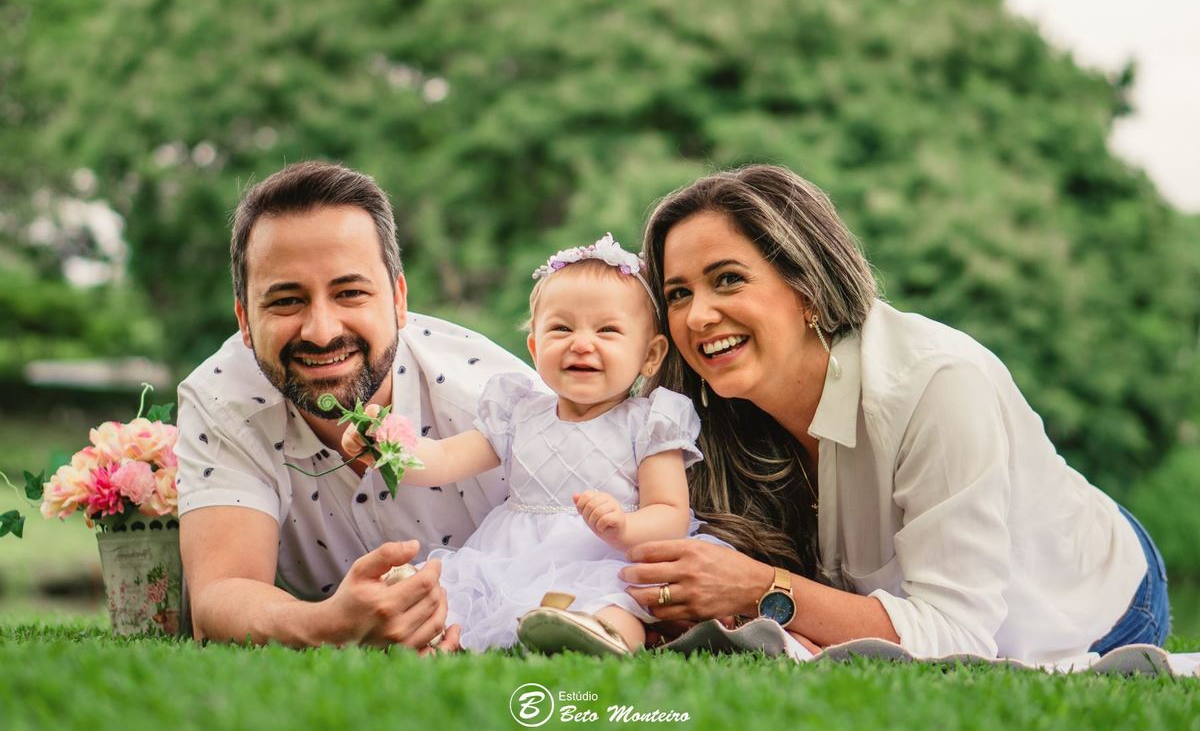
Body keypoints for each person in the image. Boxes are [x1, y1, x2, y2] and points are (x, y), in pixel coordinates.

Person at [621, 164, 1169, 664]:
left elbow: (956, 633)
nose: (698, 316)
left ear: (807, 287)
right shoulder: (706, 414)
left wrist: (757, 588)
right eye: (677, 293)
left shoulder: (937, 384)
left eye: (728, 279)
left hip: (1095, 602)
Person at [175, 161, 531, 649]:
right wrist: (329, 626)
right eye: (285, 301)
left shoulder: (499, 400)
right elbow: (217, 597)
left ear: (399, 299)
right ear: (244, 317)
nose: (321, 332)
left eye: (349, 293)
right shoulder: (221, 400)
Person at [344, 234, 705, 655]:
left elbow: (671, 513)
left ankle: (598, 634)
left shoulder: (651, 422)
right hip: (515, 557)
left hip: (606, 556)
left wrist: (624, 528)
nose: (582, 343)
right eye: (561, 328)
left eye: (607, 330)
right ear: (535, 347)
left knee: (617, 601)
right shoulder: (517, 412)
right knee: (461, 591)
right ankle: (437, 627)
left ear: (650, 355)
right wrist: (390, 444)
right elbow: (444, 458)